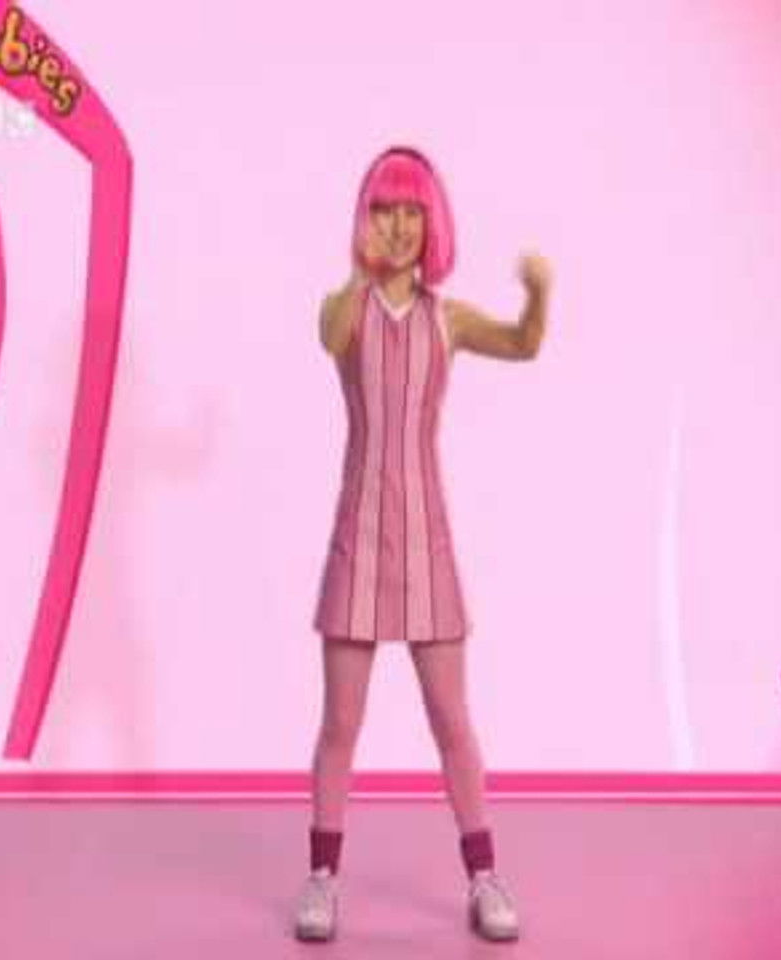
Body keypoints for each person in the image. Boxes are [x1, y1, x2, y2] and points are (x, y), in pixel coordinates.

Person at [295, 145, 551, 942]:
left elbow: (524, 344)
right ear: (366, 219)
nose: (400, 225)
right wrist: (360, 269)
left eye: (412, 211)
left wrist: (538, 293)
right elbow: (332, 333)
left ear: (431, 221)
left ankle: (485, 877)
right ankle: (321, 879)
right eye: (385, 210)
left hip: (428, 548)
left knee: (452, 720)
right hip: (359, 541)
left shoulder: (449, 317)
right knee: (340, 725)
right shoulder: (345, 307)